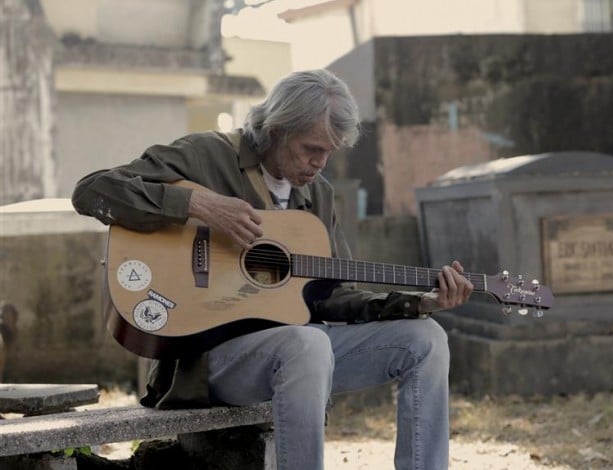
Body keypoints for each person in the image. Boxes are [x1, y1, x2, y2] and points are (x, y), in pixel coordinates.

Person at [71, 69, 474, 470]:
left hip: (298, 355)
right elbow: (91, 192)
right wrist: (197, 205)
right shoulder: (206, 155)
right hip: (211, 360)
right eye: (311, 148)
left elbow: (334, 295)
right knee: (307, 343)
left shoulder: (317, 194)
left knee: (426, 339)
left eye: (330, 152)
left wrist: (419, 303)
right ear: (278, 129)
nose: (320, 163)